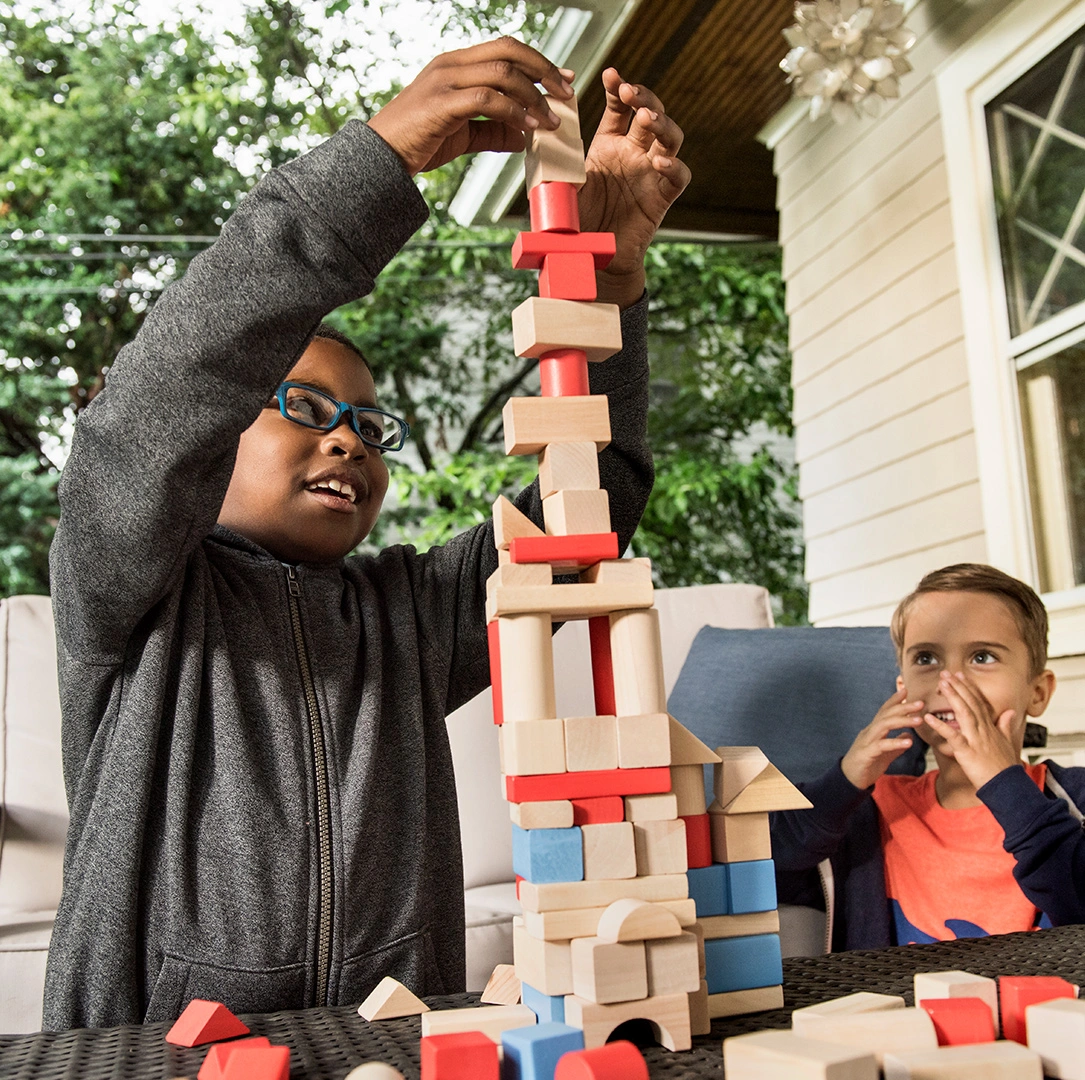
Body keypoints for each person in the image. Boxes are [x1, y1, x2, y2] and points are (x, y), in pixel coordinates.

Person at [44, 37, 691, 1029]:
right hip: (145, 1049)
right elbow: (162, 396)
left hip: (383, 1040)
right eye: (303, 408)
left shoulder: (412, 615)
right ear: (215, 430)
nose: (346, 439)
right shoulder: (132, 588)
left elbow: (586, 506)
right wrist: (379, 160)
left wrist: (601, 284)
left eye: (366, 425)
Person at [771, 563, 1085, 950]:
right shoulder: (874, 809)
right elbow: (758, 870)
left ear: (1037, 693)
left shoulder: (1074, 799)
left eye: (982, 657)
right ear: (902, 689)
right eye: (926, 659)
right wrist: (844, 782)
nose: (949, 681)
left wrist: (1005, 784)